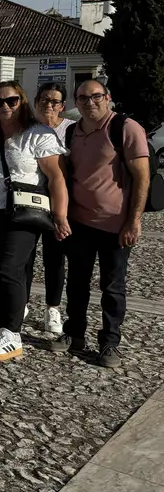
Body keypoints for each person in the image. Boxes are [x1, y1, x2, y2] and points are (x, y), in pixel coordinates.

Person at [0, 81, 70, 362]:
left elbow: (56, 177)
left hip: (19, 214)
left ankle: (12, 334)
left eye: (11, 101)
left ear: (22, 101)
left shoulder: (37, 134)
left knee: (10, 269)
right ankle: (0, 314)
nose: (5, 106)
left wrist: (60, 215)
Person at [50, 80, 150, 368]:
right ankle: (75, 334)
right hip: (80, 222)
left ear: (108, 97)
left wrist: (134, 221)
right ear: (75, 102)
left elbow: (141, 177)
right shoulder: (72, 130)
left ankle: (110, 342)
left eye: (96, 96)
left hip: (115, 224)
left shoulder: (124, 128)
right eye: (82, 98)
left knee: (113, 286)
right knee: (77, 282)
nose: (89, 102)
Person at [29, 83, 74, 333]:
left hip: (57, 202)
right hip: (28, 200)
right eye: (44, 99)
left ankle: (52, 308)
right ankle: (21, 303)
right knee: (24, 255)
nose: (49, 104)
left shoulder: (70, 130)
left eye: (55, 101)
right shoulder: (27, 127)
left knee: (54, 258)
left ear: (62, 106)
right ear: (36, 101)